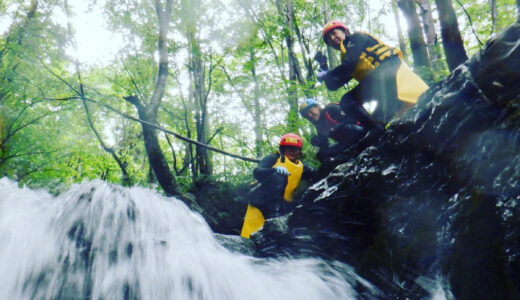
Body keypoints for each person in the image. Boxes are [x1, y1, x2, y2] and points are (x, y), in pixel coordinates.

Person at [316, 21, 429, 125]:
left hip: (390, 69)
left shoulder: (356, 38)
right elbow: (333, 85)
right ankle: (375, 129)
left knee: (381, 114)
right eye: (329, 38)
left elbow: (349, 64)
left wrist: (328, 74)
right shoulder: (346, 57)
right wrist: (324, 67)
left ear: (345, 31)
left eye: (334, 33)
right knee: (347, 102)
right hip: (377, 82)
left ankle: (381, 124)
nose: (332, 38)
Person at [240, 133, 316, 239]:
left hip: (283, 204)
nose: (292, 152)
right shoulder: (273, 158)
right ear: (282, 149)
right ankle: (275, 212)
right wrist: (274, 170)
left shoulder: (302, 167)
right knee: (250, 234)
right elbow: (257, 172)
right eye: (288, 148)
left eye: (296, 149)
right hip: (262, 200)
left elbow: (317, 175)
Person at [299, 98, 367, 162]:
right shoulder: (319, 125)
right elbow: (325, 145)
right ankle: (345, 158)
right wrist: (318, 142)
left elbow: (351, 119)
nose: (309, 115)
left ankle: (357, 150)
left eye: (310, 111)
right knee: (321, 154)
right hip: (345, 143)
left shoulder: (331, 109)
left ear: (317, 107)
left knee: (350, 129)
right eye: (306, 115)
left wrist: (332, 130)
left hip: (359, 131)